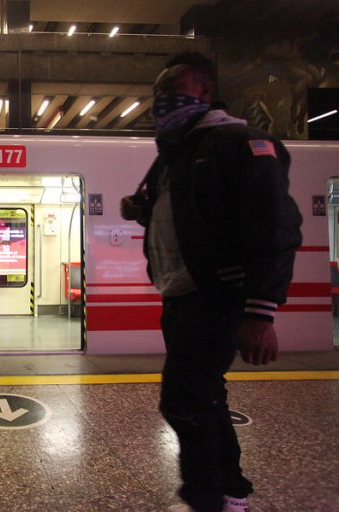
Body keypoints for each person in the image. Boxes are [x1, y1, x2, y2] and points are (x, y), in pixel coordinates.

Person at [120, 52, 302, 512]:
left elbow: (275, 226)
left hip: (217, 294)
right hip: (181, 293)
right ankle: (231, 492)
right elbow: (195, 217)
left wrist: (260, 311)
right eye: (158, 93)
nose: (163, 101)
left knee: (182, 400)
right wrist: (143, 210)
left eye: (173, 90)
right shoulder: (175, 155)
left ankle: (206, 499)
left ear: (203, 90)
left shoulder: (239, 142)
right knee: (206, 396)